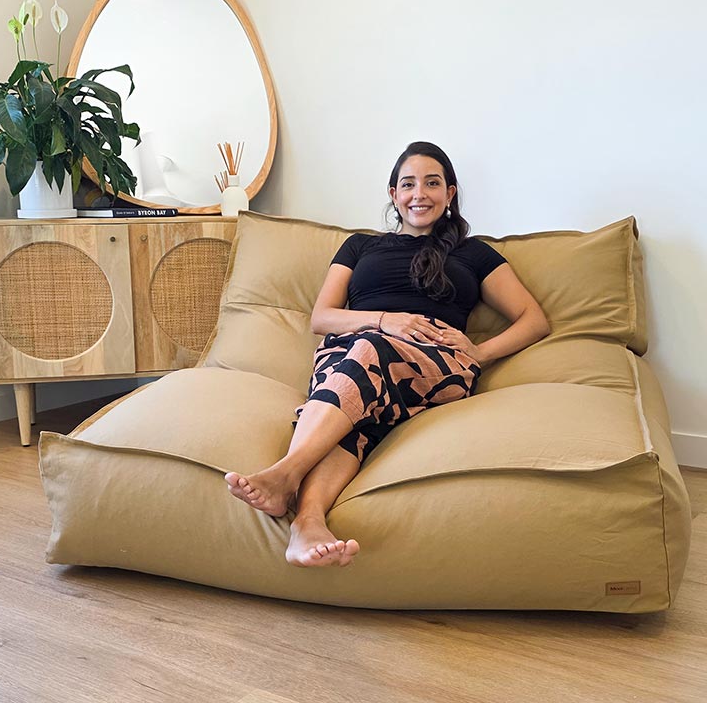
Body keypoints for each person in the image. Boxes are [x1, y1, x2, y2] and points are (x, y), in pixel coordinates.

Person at [225, 141, 550, 568]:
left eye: (433, 183)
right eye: (408, 184)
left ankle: (287, 473)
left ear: (450, 193)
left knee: (366, 357)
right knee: (357, 400)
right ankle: (307, 523)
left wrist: (480, 351)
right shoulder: (359, 247)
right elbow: (321, 318)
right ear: (394, 194)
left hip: (436, 365)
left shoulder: (473, 253)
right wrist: (383, 320)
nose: (420, 194)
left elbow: (533, 319)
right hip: (352, 350)